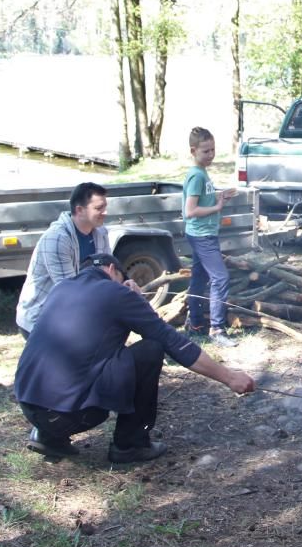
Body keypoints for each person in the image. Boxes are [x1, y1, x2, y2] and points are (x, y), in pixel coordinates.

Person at [15, 253, 255, 464]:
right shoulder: (116, 292)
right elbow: (169, 340)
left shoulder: (61, 289)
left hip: (30, 407)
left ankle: (47, 436)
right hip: (70, 417)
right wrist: (229, 377)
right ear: (112, 270)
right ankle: (130, 444)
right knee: (150, 350)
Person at [15, 182, 138, 336]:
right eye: (99, 208)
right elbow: (70, 292)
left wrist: (124, 282)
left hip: (74, 315)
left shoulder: (100, 232)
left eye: (105, 207)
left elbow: (108, 268)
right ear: (80, 210)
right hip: (41, 320)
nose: (105, 212)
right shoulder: (57, 239)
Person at [183, 127, 239, 348]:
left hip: (202, 233)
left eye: (213, 150)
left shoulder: (202, 172)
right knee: (220, 278)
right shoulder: (197, 175)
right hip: (202, 235)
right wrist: (217, 207)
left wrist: (219, 196)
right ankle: (217, 329)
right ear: (193, 151)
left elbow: (201, 201)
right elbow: (190, 211)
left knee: (199, 278)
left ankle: (196, 324)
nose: (211, 155)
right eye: (206, 151)